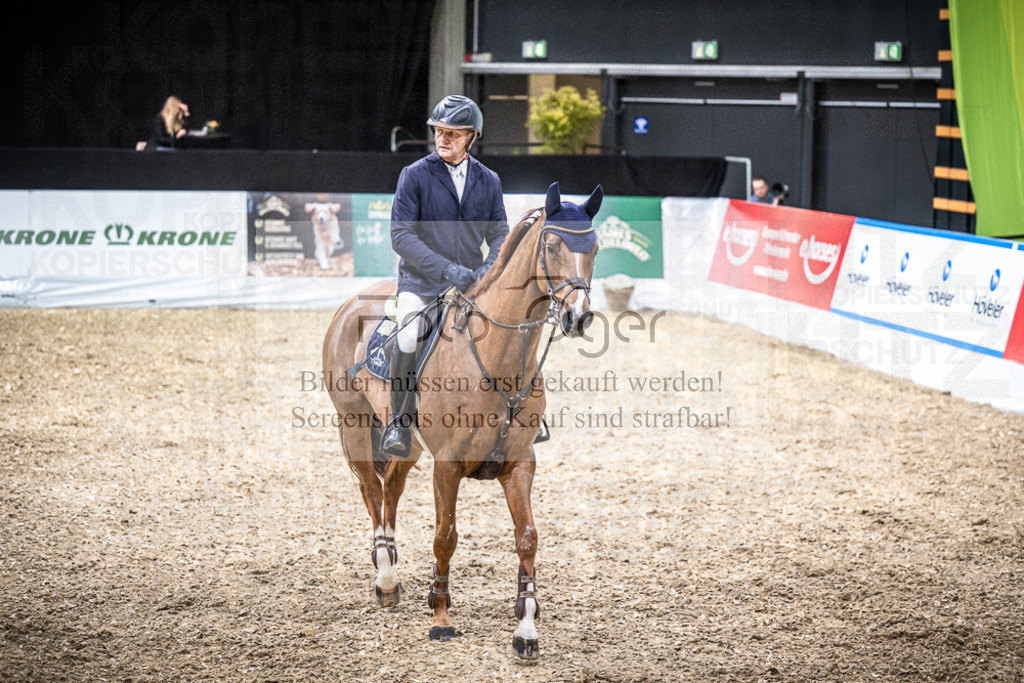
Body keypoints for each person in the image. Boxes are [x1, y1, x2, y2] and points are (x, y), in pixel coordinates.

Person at [380, 94, 509, 457]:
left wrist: (488, 269)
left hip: (473, 286)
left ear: (472, 136)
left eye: (453, 133)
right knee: (408, 335)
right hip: (423, 284)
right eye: (439, 131)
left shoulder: (488, 180)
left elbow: (499, 234)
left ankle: (513, 417)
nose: (443, 139)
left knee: (508, 337)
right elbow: (401, 236)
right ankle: (399, 424)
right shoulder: (415, 175)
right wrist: (447, 269)